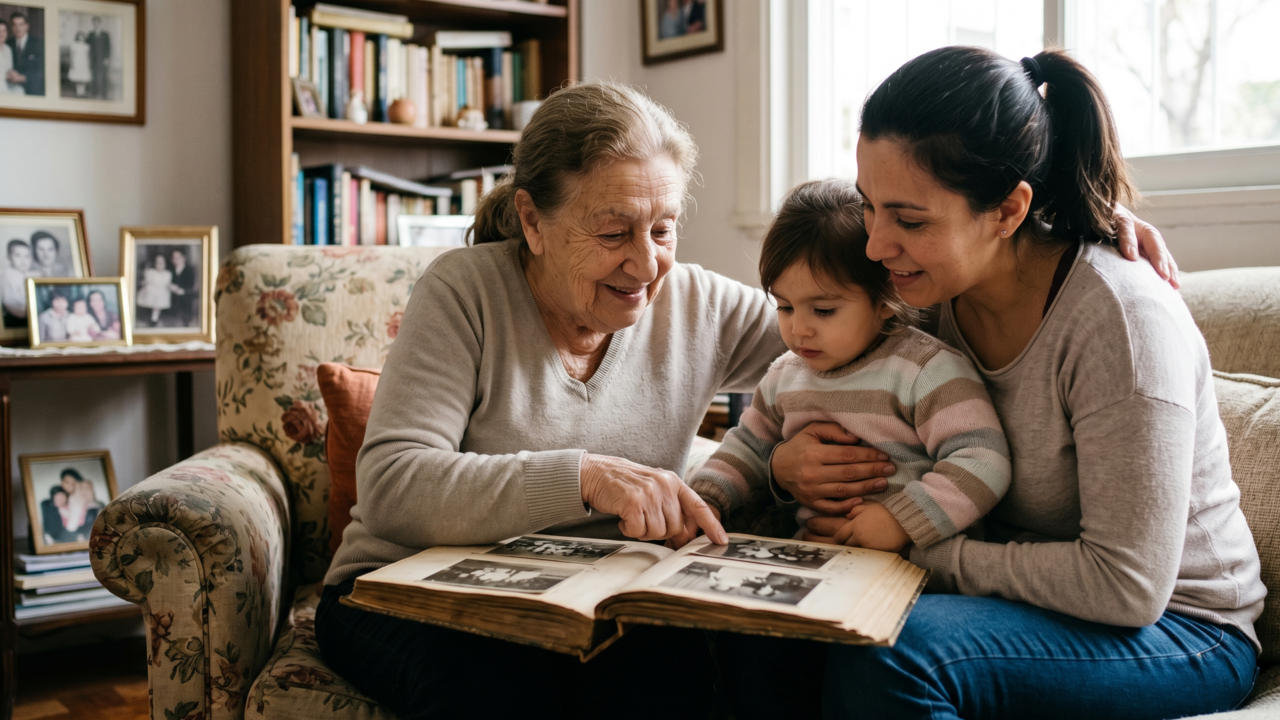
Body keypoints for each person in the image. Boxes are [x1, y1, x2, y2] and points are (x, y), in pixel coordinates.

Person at [314, 82, 1176, 719]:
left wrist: (1062, 242)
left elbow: (853, 321)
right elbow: (394, 483)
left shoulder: (690, 300)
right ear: (535, 223)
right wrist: (585, 479)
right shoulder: (463, 292)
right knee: (501, 689)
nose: (646, 263)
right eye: (613, 231)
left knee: (705, 674)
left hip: (605, 592)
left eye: (663, 228)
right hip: (404, 589)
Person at [727, 47, 1264, 720]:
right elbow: (800, 339)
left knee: (897, 651)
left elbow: (1126, 586)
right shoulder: (921, 295)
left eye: (910, 220)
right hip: (1002, 597)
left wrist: (922, 547)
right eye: (871, 206)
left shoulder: (1121, 324)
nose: (874, 245)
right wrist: (779, 468)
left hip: (1178, 631)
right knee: (764, 637)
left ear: (1009, 211)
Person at [687, 179, 1010, 553]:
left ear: (886, 299)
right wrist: (706, 499)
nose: (799, 329)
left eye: (824, 310)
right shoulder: (783, 377)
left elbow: (984, 459)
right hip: (813, 559)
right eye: (785, 307)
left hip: (913, 568)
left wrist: (900, 521)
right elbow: (746, 449)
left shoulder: (924, 370)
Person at [6, 12, 43, 97]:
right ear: (11, 27)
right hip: (12, 90)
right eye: (15, 25)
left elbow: (42, 71)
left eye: (21, 25)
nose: (18, 28)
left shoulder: (38, 44)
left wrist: (23, 78)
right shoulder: (8, 44)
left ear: (27, 26)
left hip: (33, 91)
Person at [2, 239, 32, 327]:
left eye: (27, 256)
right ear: (8, 257)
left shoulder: (23, 274)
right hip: (17, 319)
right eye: (18, 256)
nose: (23, 260)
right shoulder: (8, 278)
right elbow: (11, 305)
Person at [136, 253, 172, 326]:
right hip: (151, 290)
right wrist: (143, 282)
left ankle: (154, 318)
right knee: (149, 295)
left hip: (162, 290)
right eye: (157, 262)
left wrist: (172, 287)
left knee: (159, 299)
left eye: (162, 262)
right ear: (154, 263)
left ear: (165, 263)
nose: (160, 264)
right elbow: (146, 281)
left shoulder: (167, 273)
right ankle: (148, 316)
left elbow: (167, 283)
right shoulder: (150, 272)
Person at [167, 248, 198, 327]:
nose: (175, 259)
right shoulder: (170, 270)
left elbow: (192, 286)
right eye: (173, 257)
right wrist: (170, 286)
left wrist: (183, 291)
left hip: (186, 297)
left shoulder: (189, 270)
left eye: (177, 257)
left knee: (185, 318)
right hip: (173, 299)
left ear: (183, 258)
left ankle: (186, 322)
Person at [86, 15, 110, 99]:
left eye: (97, 23)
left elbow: (108, 46)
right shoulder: (90, 34)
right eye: (94, 23)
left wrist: (107, 58)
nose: (96, 25)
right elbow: (85, 45)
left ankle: (103, 94)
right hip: (93, 59)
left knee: (103, 76)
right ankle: (95, 93)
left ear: (100, 24)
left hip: (103, 59)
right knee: (94, 76)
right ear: (93, 24)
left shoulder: (105, 34)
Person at [0, 20, 24, 95]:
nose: (1, 34)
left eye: (4, 31)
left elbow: (8, 70)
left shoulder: (8, 49)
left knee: (20, 90)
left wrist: (13, 74)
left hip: (6, 83)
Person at [67, 31, 91, 97]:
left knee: (83, 77)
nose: (81, 38)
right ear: (77, 37)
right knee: (77, 77)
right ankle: (78, 92)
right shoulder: (74, 45)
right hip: (77, 61)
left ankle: (83, 91)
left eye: (82, 37)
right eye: (79, 37)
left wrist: (88, 64)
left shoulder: (86, 46)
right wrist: (72, 62)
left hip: (84, 62)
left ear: (84, 38)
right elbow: (71, 55)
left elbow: (88, 56)